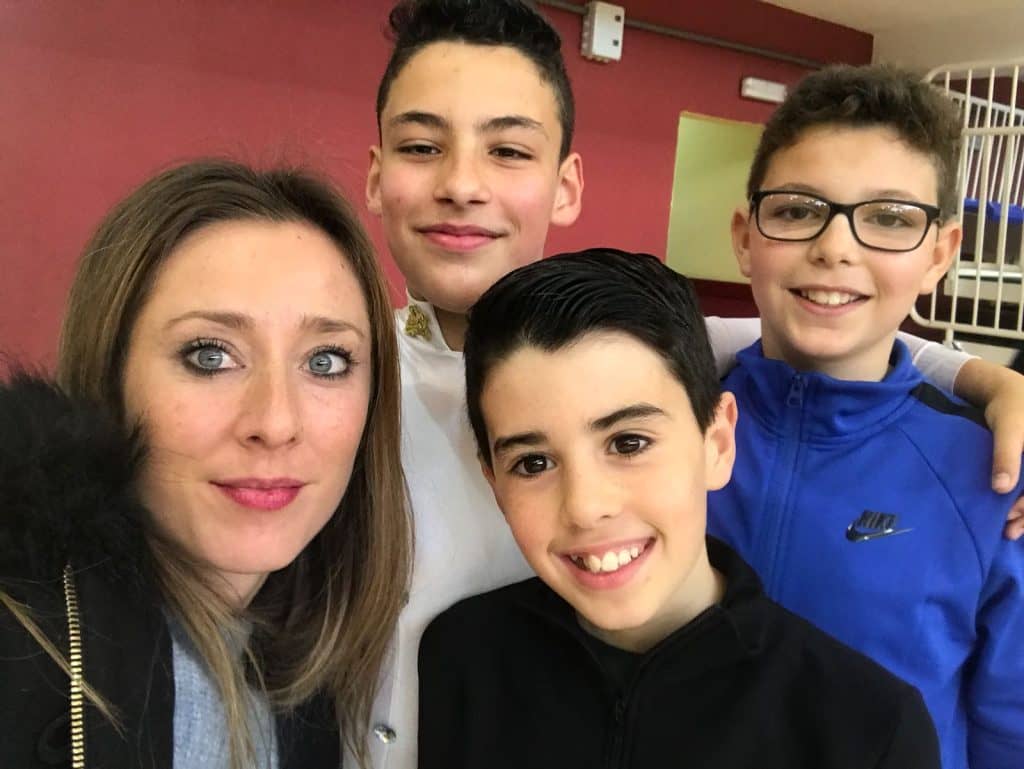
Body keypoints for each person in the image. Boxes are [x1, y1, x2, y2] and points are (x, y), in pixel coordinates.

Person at [360, 1, 1024, 765]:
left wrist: (987, 380)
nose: (836, 249)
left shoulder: (666, 364)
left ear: (717, 436)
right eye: (421, 145)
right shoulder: (341, 383)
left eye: (628, 441)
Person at [418, 247, 940, 768]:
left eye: (628, 443)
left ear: (717, 444)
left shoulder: (868, 730)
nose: (585, 507)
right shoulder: (464, 655)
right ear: (493, 480)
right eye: (533, 464)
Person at [0, 159, 411, 769]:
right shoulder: (20, 646)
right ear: (111, 377)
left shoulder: (313, 682)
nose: (275, 422)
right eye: (211, 356)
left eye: (325, 361)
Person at [710, 64, 1024, 769]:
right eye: (797, 210)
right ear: (745, 237)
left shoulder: (993, 474)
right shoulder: (661, 431)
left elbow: (1011, 732)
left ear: (940, 254)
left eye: (888, 218)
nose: (836, 247)